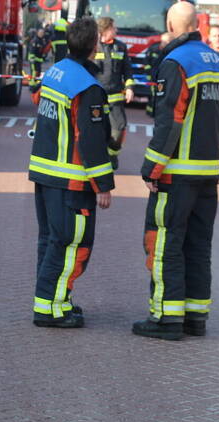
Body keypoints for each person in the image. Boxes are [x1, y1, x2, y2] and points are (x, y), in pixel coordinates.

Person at [135, 2, 219, 341]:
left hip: (176, 174)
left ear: (170, 25)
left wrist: (151, 168)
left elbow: (170, 121)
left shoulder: (175, 62)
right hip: (207, 174)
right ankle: (195, 317)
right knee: (198, 244)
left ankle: (166, 319)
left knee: (165, 243)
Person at [27, 17, 116, 329]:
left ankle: (55, 302)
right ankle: (49, 310)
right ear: (95, 46)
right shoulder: (87, 87)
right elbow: (91, 140)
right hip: (71, 181)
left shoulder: (56, 72)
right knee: (70, 244)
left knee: (51, 241)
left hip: (45, 173)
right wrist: (103, 185)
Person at [93, 18, 135, 163]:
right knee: (95, 130)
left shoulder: (121, 47)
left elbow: (128, 70)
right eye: (113, 28)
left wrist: (129, 88)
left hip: (115, 97)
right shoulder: (93, 46)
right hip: (96, 96)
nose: (116, 30)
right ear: (104, 29)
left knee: (119, 129)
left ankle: (112, 155)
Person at [143, 32, 172, 117]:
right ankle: (151, 112)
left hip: (164, 78)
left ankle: (155, 112)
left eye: (166, 42)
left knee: (160, 95)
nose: (163, 43)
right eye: (163, 41)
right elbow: (146, 61)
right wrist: (149, 73)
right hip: (153, 78)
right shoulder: (153, 49)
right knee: (154, 95)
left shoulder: (170, 52)